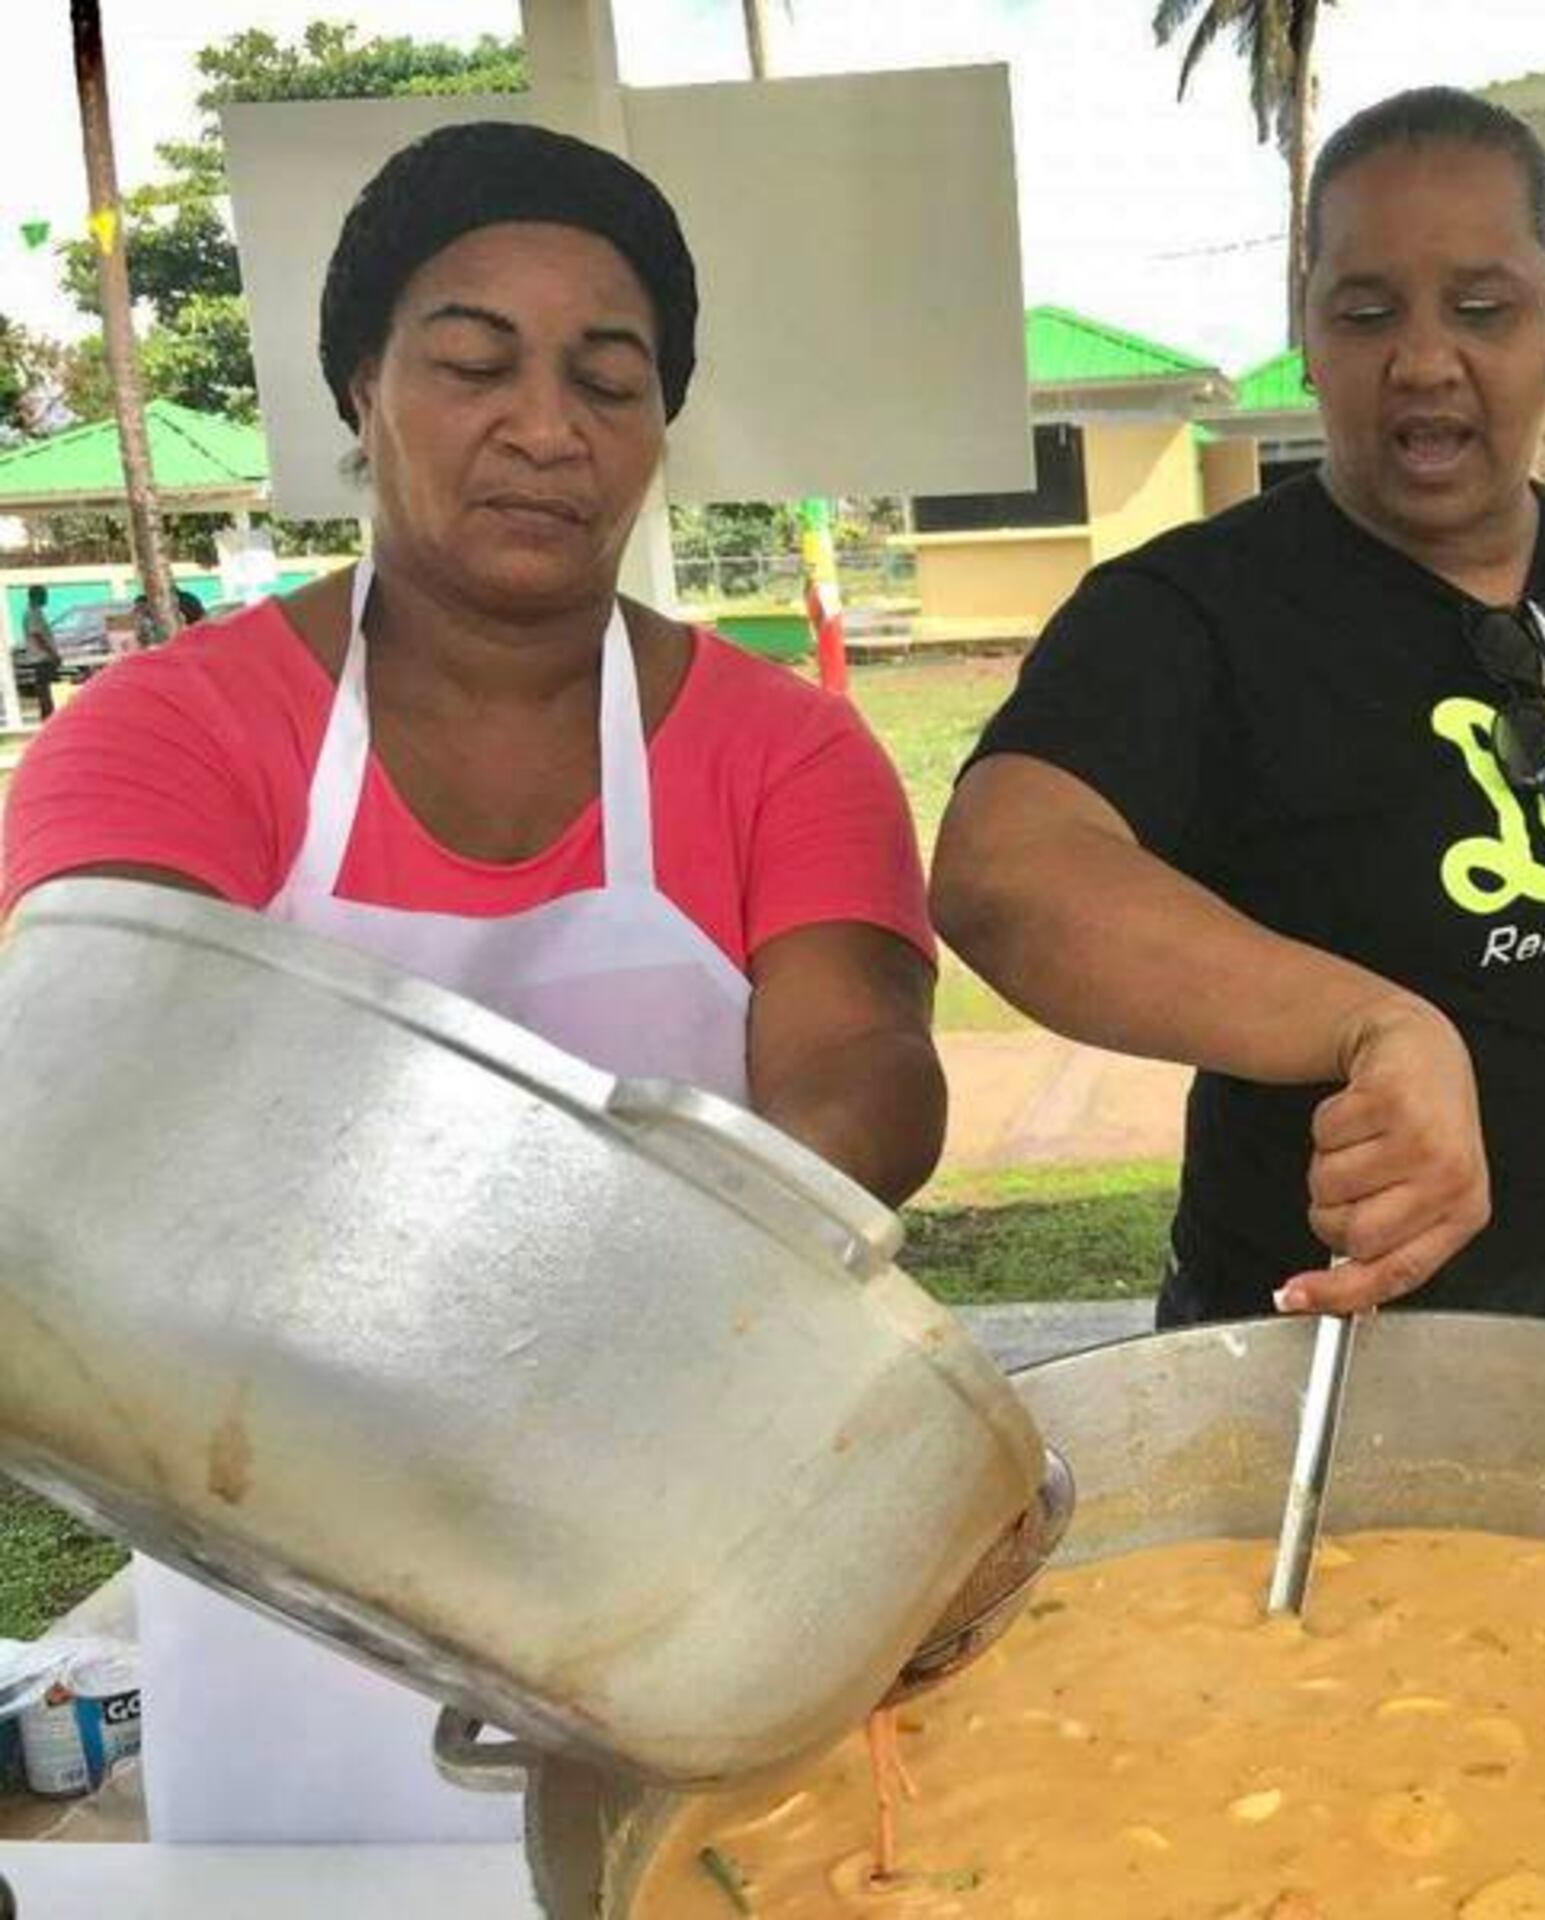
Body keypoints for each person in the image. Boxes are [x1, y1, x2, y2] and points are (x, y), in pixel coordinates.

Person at [3, 121, 943, 1844]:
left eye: (612, 378)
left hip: (672, 1578)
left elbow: (863, 1077)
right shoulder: (169, 731)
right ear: (360, 385)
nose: (546, 426)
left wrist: (589, 1333)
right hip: (281, 1585)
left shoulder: (783, 755)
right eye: (471, 361)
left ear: (662, 427)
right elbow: (126, 1076)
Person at [933, 88, 1545, 1385]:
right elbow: (1003, 871)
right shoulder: (1196, 611)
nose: (1424, 361)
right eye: (1368, 312)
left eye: (1482, 308)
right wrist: (1373, 1023)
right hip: (1331, 1390)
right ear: (1305, 328)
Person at [18, 584, 60, 720]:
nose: (46, 598)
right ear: (36, 596)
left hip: (44, 658)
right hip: (42, 658)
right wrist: (51, 653)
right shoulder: (32, 613)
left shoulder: (37, 612)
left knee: (48, 690)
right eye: (44, 595)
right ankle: (49, 718)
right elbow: (37, 636)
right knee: (47, 691)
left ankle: (49, 717)